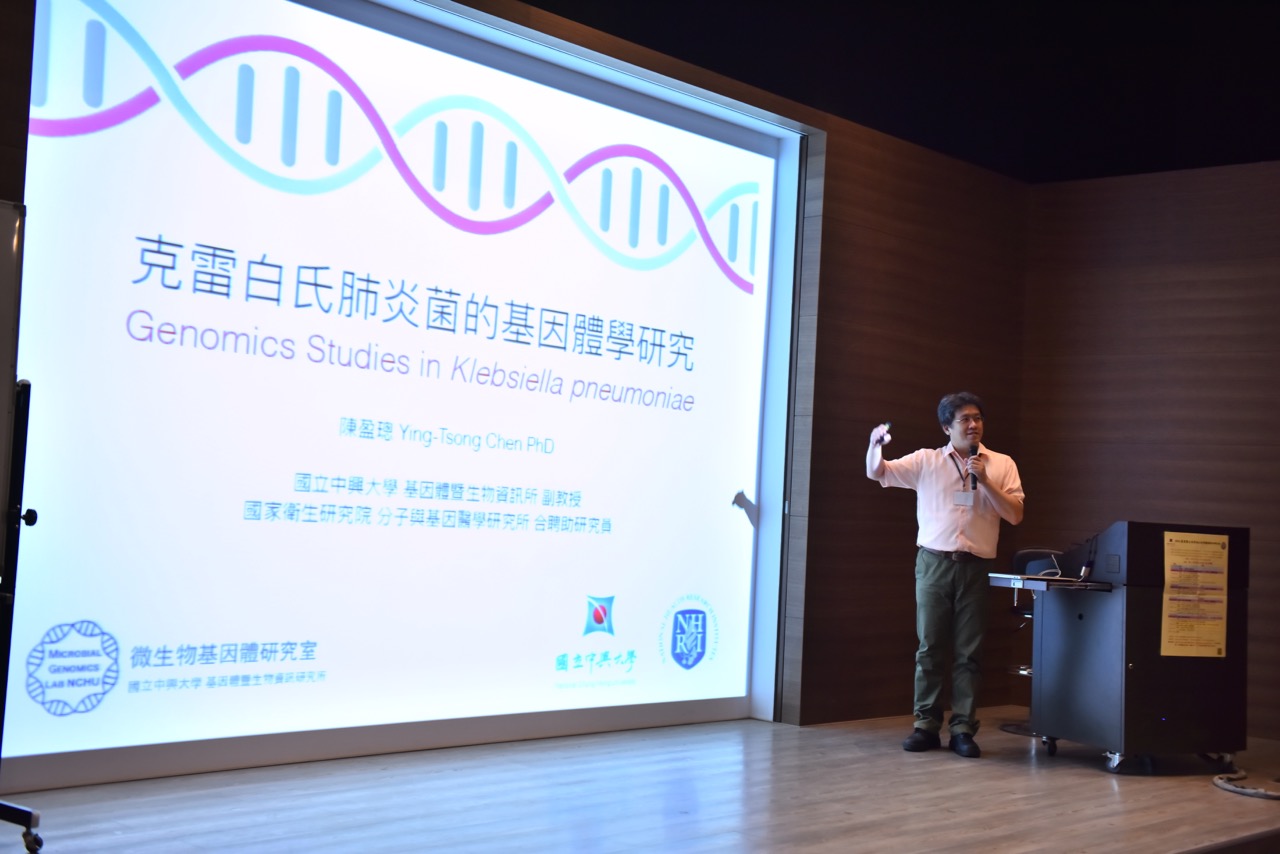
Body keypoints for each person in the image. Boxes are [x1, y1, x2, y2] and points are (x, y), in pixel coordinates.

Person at [865, 392, 1024, 758]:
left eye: (978, 418)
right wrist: (875, 445)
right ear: (946, 427)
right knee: (930, 648)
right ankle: (925, 726)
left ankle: (963, 729)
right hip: (934, 563)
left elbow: (1015, 514)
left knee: (969, 652)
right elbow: (878, 472)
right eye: (964, 419)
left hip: (977, 567)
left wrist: (985, 481)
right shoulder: (926, 460)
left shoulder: (1001, 464)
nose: (973, 425)